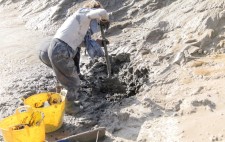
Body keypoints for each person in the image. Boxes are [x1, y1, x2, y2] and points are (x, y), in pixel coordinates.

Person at [39, 0, 110, 114]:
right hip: (61, 49)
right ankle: (69, 107)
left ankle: (66, 100)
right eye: (96, 20)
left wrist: (99, 43)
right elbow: (102, 11)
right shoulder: (83, 13)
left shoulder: (79, 23)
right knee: (73, 82)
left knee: (68, 79)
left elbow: (78, 42)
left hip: (57, 48)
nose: (96, 22)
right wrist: (105, 19)